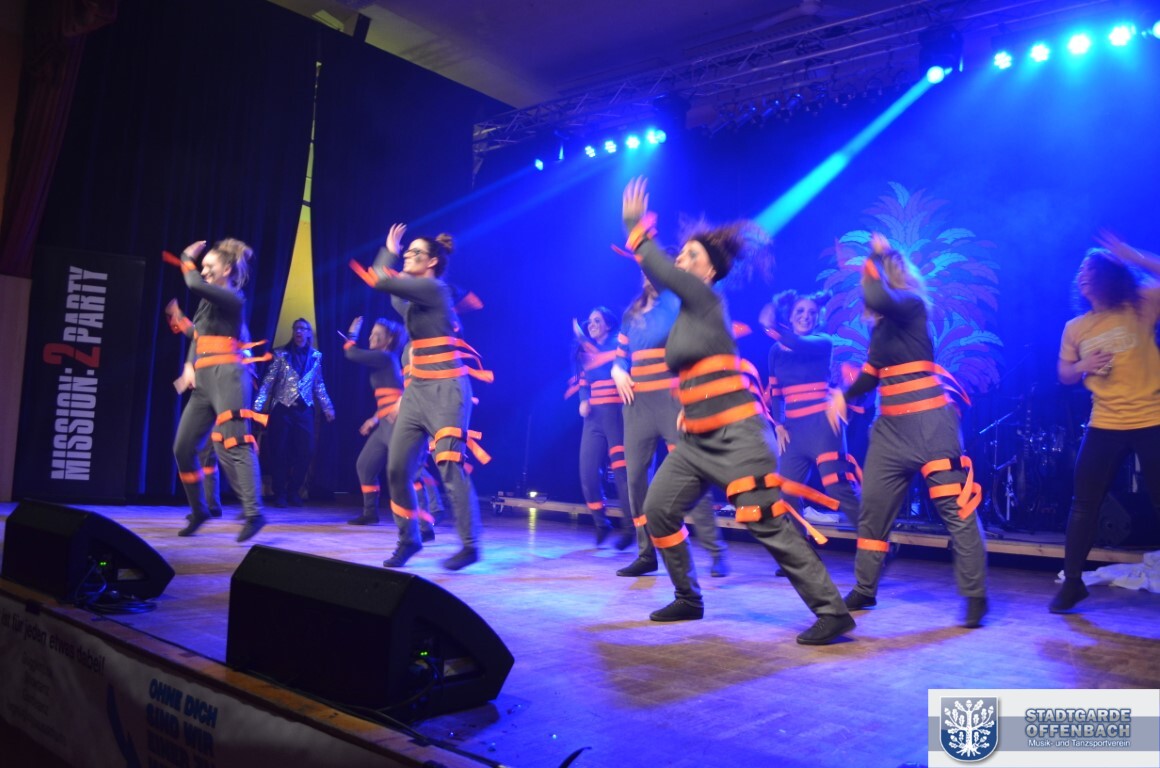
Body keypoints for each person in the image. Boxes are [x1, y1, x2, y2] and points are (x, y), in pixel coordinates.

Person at [620, 177, 854, 645]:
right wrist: (688, 405)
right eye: (681, 255)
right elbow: (700, 370)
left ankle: (832, 611)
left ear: (708, 272)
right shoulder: (686, 318)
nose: (680, 261)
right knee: (658, 510)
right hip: (696, 440)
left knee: (764, 521)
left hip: (738, 436)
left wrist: (637, 232)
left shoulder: (706, 300)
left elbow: (664, 274)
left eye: (690, 257)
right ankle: (688, 597)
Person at [827, 232, 987, 628]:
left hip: (930, 422)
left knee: (956, 507)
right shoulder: (880, 329)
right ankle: (865, 588)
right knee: (873, 510)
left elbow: (878, 296)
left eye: (876, 276)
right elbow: (871, 375)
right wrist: (844, 395)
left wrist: (873, 256)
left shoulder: (912, 306)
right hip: (890, 430)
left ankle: (974, 595)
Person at [360, 223, 491, 571]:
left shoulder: (435, 289)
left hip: (447, 390)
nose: (407, 256)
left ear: (432, 262)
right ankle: (409, 539)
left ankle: (470, 545)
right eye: (406, 252)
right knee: (397, 469)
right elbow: (393, 294)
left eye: (414, 253)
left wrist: (389, 251)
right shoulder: (416, 302)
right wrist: (398, 264)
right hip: (417, 393)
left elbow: (381, 280)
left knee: (449, 465)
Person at [1050, 232, 1160, 613]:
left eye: (1091, 268)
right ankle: (1072, 584)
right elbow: (1064, 373)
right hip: (1105, 423)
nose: (1082, 274)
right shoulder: (1076, 327)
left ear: (1111, 275)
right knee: (1084, 503)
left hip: (1151, 419)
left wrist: (1131, 255)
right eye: (1080, 270)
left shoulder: (1140, 305)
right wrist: (1082, 365)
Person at [611, 274, 730, 577]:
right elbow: (621, 357)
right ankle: (646, 553)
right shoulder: (631, 315)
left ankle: (716, 550)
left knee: (691, 474)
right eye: (644, 271)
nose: (648, 275)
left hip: (672, 402)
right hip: (637, 406)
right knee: (635, 479)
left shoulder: (678, 307)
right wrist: (617, 370)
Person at [168, 238, 266, 542]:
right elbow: (199, 336)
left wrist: (186, 257)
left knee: (236, 442)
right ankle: (200, 510)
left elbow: (193, 282)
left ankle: (254, 513)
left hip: (229, 376)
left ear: (226, 270)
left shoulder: (234, 297)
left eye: (209, 266)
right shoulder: (207, 301)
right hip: (204, 379)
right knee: (183, 447)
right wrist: (189, 365)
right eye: (202, 266)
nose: (203, 271)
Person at [766, 289, 860, 526]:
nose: (805, 316)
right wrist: (778, 425)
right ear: (790, 316)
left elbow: (796, 343)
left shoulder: (822, 342)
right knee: (786, 492)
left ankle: (873, 538)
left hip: (823, 425)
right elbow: (776, 393)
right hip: (793, 431)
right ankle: (801, 550)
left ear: (818, 317)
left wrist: (770, 324)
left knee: (837, 487)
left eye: (812, 312)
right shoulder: (776, 351)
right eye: (800, 311)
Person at [254, 318, 335, 506]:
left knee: (306, 450)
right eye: (296, 328)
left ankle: (294, 491)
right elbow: (268, 382)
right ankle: (280, 493)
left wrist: (328, 407)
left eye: (303, 329)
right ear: (293, 331)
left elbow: (318, 384)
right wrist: (257, 406)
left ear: (308, 333)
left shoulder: (316, 356)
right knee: (279, 451)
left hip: (304, 409)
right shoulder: (281, 354)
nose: (299, 331)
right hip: (282, 408)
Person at [573, 306, 633, 545]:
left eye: (597, 320)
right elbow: (583, 382)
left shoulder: (619, 344)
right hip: (593, 420)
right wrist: (583, 400)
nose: (591, 324)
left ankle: (630, 529)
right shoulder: (585, 353)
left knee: (621, 473)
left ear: (608, 324)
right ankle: (601, 523)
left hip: (617, 416)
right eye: (589, 321)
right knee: (587, 471)